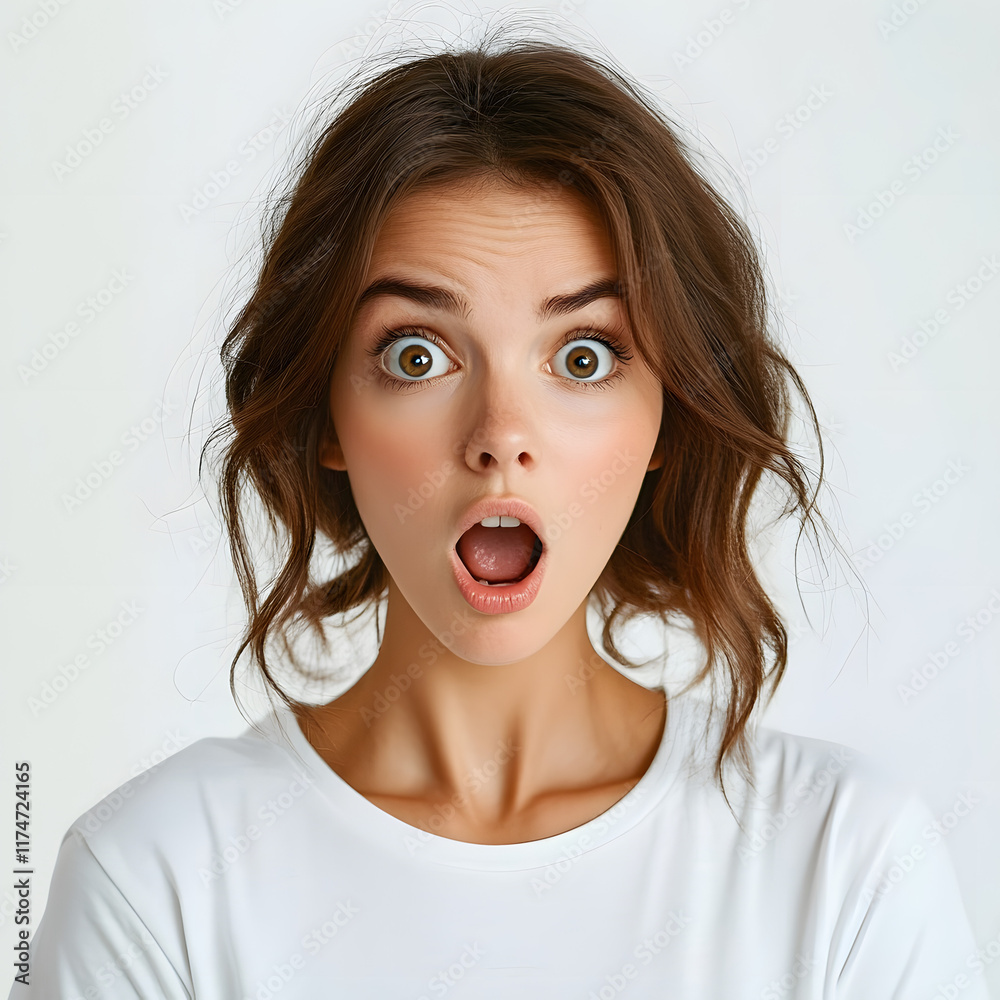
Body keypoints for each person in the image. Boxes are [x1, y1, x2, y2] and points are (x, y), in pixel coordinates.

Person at [12, 30, 985, 999]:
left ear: (667, 415)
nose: (500, 436)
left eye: (583, 357)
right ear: (325, 414)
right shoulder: (152, 880)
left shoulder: (847, 864)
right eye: (417, 356)